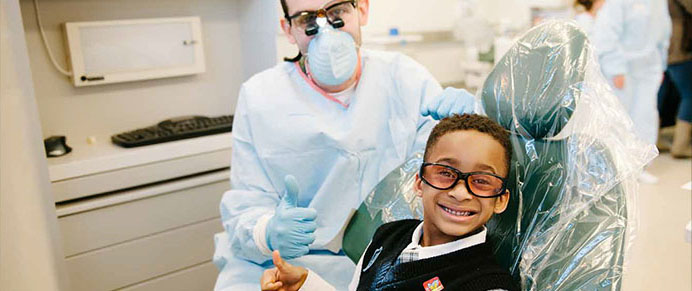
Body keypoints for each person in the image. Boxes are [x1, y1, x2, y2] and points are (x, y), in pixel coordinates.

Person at [212, 0, 477, 289]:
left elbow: (448, 172)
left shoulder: (405, 78)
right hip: (285, 262)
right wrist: (267, 232)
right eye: (307, 20)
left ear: (361, 9)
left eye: (337, 12)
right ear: (288, 29)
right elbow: (247, 201)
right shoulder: (260, 96)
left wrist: (469, 124)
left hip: (390, 257)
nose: (326, 31)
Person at [260, 114, 519, 291]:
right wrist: (305, 284)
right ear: (419, 182)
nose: (461, 192)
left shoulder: (485, 284)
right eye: (445, 173)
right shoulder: (388, 237)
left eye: (482, 181)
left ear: (500, 200)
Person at [590, 0, 672, 183]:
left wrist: (660, 66)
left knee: (645, 118)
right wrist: (616, 67)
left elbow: (663, 33)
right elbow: (607, 34)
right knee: (619, 119)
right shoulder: (618, 3)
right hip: (622, 70)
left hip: (648, 70)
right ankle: (615, 170)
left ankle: (639, 168)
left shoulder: (658, 3)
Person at [665, 0, 692, 158]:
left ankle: (653, 140)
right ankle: (680, 145)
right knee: (689, 94)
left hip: (671, 48)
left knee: (662, 95)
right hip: (680, 48)